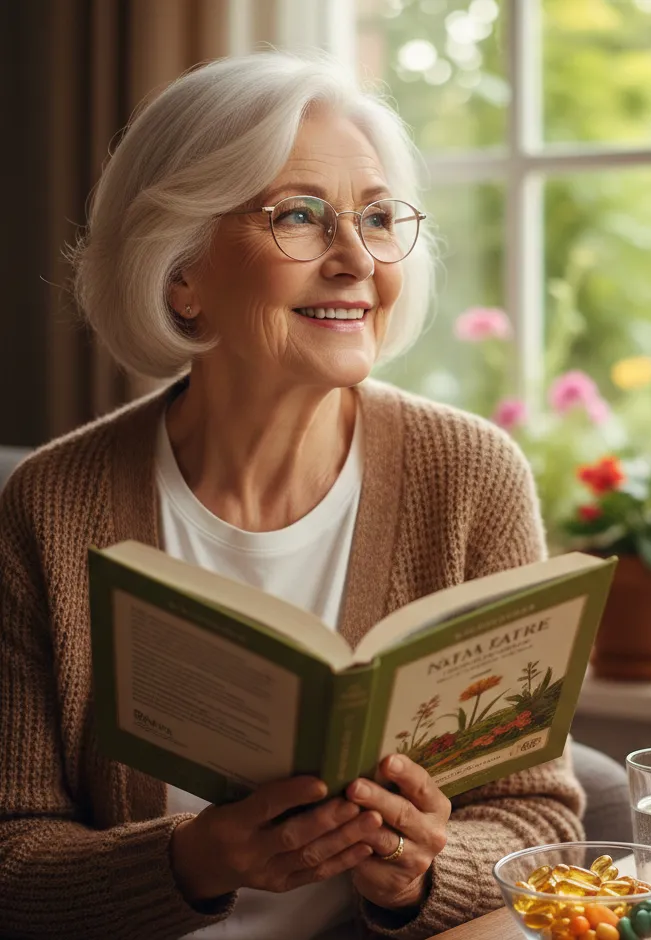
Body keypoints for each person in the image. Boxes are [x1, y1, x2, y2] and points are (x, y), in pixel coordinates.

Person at [0, 51, 584, 940]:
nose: (356, 259)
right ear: (181, 270)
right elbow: (10, 859)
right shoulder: (51, 505)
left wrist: (420, 872)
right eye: (300, 217)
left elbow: (542, 825)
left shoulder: (469, 474)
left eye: (379, 218)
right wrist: (197, 859)